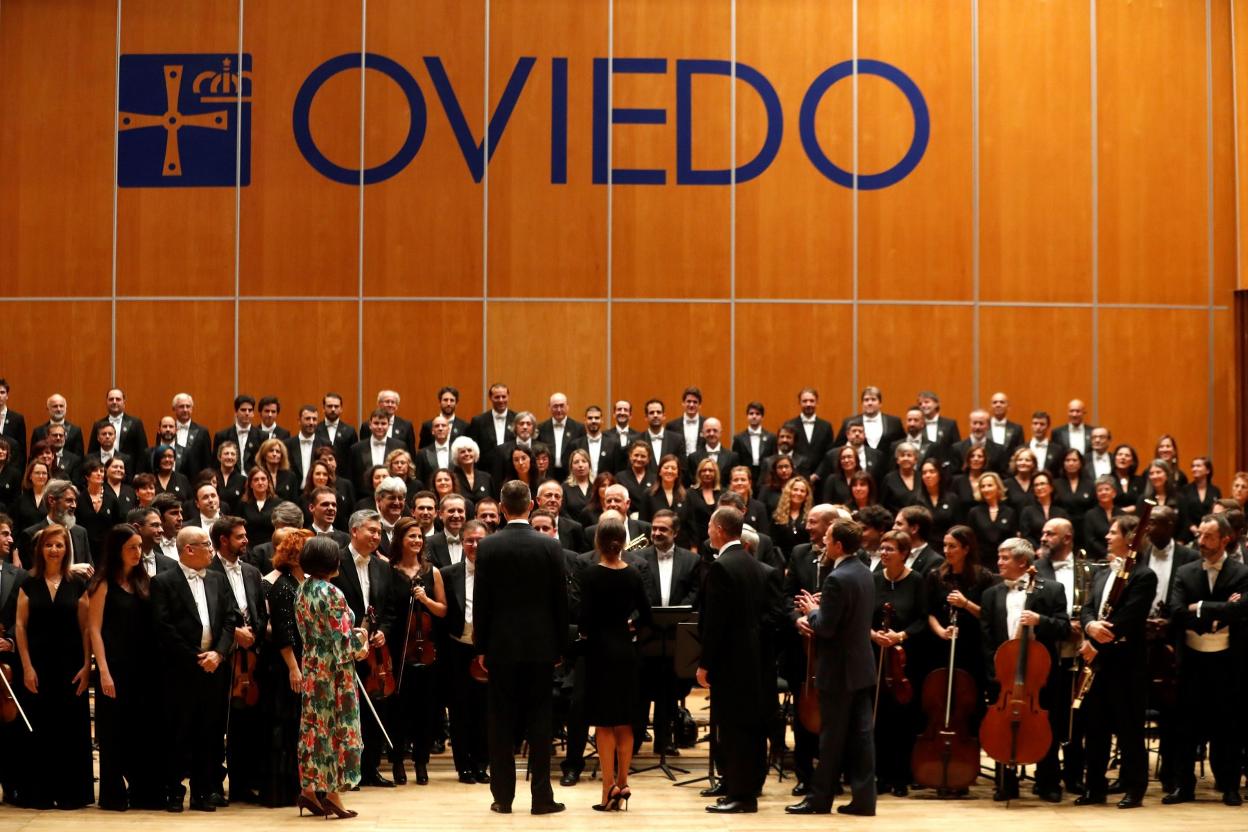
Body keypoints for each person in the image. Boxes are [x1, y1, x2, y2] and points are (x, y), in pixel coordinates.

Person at [473, 480, 569, 815]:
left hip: (500, 646)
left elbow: (482, 603)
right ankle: (542, 797)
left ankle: (503, 797)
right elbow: (561, 601)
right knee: (540, 723)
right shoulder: (550, 546)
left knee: (500, 723)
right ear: (531, 505)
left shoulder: (488, 547)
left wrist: (480, 646)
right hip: (541, 647)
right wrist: (561, 646)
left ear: (501, 507)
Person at [788, 518, 876, 816]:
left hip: (838, 671)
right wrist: (824, 607)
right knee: (862, 738)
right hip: (862, 668)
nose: (823, 543)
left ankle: (819, 799)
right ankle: (865, 800)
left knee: (831, 739)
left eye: (826, 538)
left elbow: (825, 628)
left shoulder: (837, 578)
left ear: (838, 544)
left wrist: (813, 611)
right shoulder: (864, 572)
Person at [150, 526, 241, 813]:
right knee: (178, 731)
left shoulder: (217, 579)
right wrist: (196, 657)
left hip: (215, 668)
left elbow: (231, 619)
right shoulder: (163, 582)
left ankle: (203, 791)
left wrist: (219, 653)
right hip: (180, 670)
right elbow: (162, 627)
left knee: (210, 732)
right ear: (189, 549)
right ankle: (174, 792)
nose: (212, 550)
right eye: (206, 545)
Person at [1163, 512, 1248, 806]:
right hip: (1193, 661)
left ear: (1226, 539)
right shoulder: (1185, 572)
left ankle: (1230, 786)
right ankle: (1183, 786)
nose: (1201, 541)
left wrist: (1198, 607)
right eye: (1200, 534)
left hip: (1227, 660)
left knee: (1229, 725)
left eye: (1208, 536)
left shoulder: (1242, 573)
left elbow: (1242, 611)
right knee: (1185, 725)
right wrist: (1219, 610)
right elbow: (1176, 612)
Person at [697, 506, 778, 814]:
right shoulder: (757, 566)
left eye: (709, 525)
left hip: (731, 663)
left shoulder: (722, 567)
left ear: (719, 530)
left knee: (733, 730)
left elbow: (716, 623)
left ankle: (741, 797)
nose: (707, 531)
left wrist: (705, 664)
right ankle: (743, 787)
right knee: (751, 727)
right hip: (755, 661)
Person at [979, 537, 1070, 803]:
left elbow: (1064, 627)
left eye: (1005, 558)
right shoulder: (990, 594)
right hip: (1003, 675)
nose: (999, 562)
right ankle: (1005, 783)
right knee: (1002, 726)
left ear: (1023, 562)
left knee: (1045, 727)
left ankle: (1048, 781)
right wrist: (994, 675)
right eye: (998, 556)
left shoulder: (1052, 589)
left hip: (1039, 675)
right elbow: (986, 640)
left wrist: (1040, 620)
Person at [1076, 515, 1157, 809]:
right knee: (1095, 728)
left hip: (1125, 664)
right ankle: (1094, 787)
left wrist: (1098, 643)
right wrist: (1089, 628)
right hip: (1097, 662)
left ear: (1130, 537)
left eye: (1113, 533)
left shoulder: (1144, 576)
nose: (1107, 537)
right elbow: (1087, 608)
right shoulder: (1100, 575)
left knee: (1129, 729)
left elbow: (1129, 619)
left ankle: (1134, 788)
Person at [13, 525, 94, 809]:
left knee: (71, 729)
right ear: (40, 549)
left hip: (71, 665)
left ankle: (72, 793)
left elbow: (86, 629)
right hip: (38, 666)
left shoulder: (77, 583)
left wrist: (87, 666)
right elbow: (20, 626)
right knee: (40, 728)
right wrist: (26, 666)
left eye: (59, 545)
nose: (54, 550)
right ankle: (39, 793)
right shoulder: (27, 583)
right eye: (49, 545)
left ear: (67, 549)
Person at [86, 523, 161, 810]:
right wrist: (103, 671)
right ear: (117, 550)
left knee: (142, 730)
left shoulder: (145, 582)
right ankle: (113, 793)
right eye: (131, 547)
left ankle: (143, 790)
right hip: (115, 667)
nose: (137, 552)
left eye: (140, 547)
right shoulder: (102, 584)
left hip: (144, 666)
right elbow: (94, 630)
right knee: (114, 732)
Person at [579, 516, 651, 811]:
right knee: (625, 720)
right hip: (625, 652)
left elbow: (583, 620)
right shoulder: (634, 574)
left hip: (599, 653)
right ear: (623, 542)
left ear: (598, 542)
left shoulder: (590, 575)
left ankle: (608, 789)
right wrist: (630, 626)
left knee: (604, 724)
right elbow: (647, 617)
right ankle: (624, 782)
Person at [295, 535, 369, 819]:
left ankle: (309, 790)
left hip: (312, 666)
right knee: (337, 731)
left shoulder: (303, 589)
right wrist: (361, 643)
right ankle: (334, 796)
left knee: (314, 729)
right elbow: (344, 644)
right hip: (335, 672)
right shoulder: (332, 593)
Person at [208, 516, 269, 804]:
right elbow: (209, 614)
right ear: (223, 540)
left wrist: (254, 634)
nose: (246, 540)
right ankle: (215, 784)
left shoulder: (252, 571)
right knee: (218, 723)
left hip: (252, 659)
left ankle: (244, 782)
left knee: (247, 723)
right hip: (223, 657)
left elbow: (259, 612)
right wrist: (234, 635)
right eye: (240, 537)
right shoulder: (208, 571)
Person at [332, 509, 394, 787]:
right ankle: (347, 772)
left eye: (379, 532)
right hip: (344, 650)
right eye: (371, 531)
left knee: (374, 710)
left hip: (374, 653)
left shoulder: (383, 565)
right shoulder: (336, 561)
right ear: (354, 531)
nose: (376, 536)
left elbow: (388, 609)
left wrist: (382, 632)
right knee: (345, 712)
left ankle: (370, 769)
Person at [386, 516, 447, 785]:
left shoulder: (432, 572)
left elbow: (443, 610)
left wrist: (425, 599)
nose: (417, 540)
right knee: (398, 709)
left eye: (419, 537)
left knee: (425, 709)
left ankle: (421, 763)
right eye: (411, 536)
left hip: (426, 651)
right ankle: (397, 760)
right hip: (398, 648)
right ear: (400, 540)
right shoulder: (388, 571)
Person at [259, 528, 312, 808]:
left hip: (303, 662)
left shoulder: (303, 583)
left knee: (298, 727)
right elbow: (283, 632)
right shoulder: (284, 586)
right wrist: (294, 668)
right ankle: (281, 790)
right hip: (287, 666)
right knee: (285, 724)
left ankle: (299, 785)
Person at [441, 520, 491, 784]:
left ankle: (482, 764)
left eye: (480, 540)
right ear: (462, 543)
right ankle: (464, 767)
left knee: (485, 711)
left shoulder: (497, 572)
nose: (474, 545)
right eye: (470, 540)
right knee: (460, 712)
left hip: (487, 652)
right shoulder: (449, 573)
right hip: (457, 650)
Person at [967, 472, 1016, 569]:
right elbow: (970, 539)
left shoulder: (1009, 512)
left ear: (998, 487)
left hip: (1004, 562)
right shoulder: (974, 512)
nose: (986, 489)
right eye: (983, 486)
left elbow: (1013, 540)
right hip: (981, 562)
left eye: (989, 485)